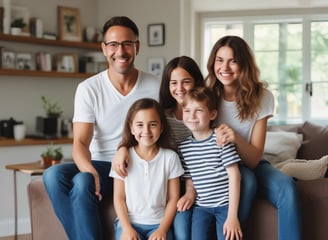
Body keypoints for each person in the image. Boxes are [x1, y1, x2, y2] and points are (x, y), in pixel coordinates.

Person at [42, 16, 161, 240]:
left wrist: (127, 148)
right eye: (114, 44)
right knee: (53, 175)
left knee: (81, 182)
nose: (121, 51)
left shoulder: (155, 86)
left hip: (135, 166)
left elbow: (163, 132)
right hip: (101, 165)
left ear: (137, 47)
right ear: (104, 49)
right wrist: (90, 170)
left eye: (127, 43)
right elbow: (80, 143)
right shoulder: (89, 89)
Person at [206, 35, 301, 240]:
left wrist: (236, 137)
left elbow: (253, 159)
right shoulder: (206, 95)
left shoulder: (262, 96)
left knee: (287, 187)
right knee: (245, 181)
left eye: (233, 60)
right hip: (218, 166)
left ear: (244, 64)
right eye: (220, 60)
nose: (225, 67)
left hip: (252, 162)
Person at [113, 55, 205, 240]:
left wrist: (190, 191)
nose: (179, 88)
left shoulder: (203, 113)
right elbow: (138, 130)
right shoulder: (160, 114)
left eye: (186, 81)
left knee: (183, 231)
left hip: (190, 181)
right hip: (166, 180)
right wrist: (122, 148)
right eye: (173, 83)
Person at [110, 98, 184, 240]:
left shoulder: (170, 158)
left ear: (161, 127)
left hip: (158, 224)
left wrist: (162, 229)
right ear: (131, 128)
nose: (146, 131)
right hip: (129, 223)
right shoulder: (122, 158)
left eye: (153, 125)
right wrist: (126, 229)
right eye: (140, 125)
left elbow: (173, 198)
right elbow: (119, 198)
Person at [178, 86, 242, 240]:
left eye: (198, 110)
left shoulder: (220, 139)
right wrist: (189, 194)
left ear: (212, 114)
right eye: (187, 111)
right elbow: (190, 180)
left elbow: (235, 175)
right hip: (202, 207)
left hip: (225, 206)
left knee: (229, 236)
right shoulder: (184, 147)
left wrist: (232, 216)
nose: (192, 116)